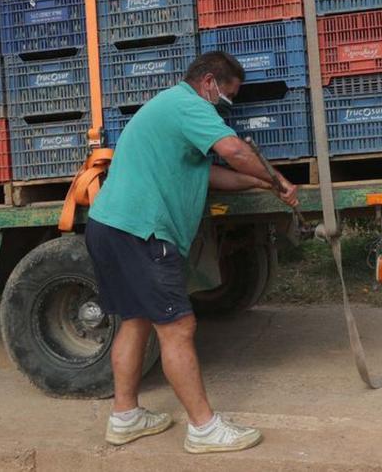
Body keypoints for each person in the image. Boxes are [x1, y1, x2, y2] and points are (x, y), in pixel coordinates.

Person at [85, 51, 298, 453]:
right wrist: (278, 177)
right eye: (226, 97)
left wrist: (263, 186)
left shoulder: (168, 111)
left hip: (110, 226)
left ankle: (125, 417)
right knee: (178, 327)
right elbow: (234, 151)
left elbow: (212, 174)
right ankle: (204, 428)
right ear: (208, 83)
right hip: (142, 230)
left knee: (136, 321)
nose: (223, 106)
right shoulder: (187, 103)